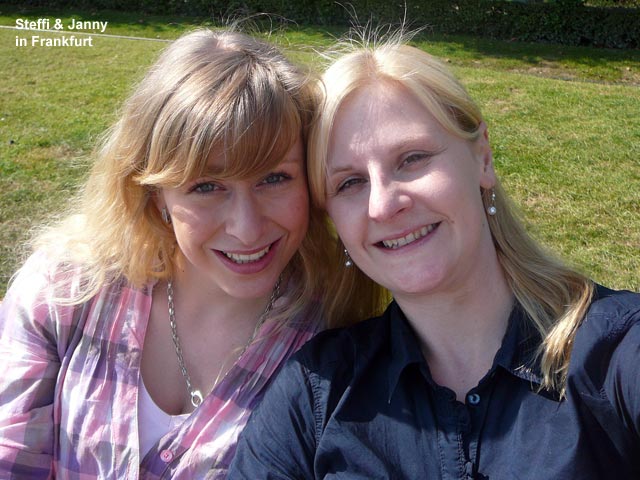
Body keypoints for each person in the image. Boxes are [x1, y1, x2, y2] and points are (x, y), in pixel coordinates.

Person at [229, 38, 640, 478]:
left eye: (412, 159)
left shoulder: (616, 352)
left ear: (482, 157)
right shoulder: (315, 395)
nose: (383, 206)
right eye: (350, 183)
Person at [0, 29, 384, 479]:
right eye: (206, 186)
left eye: (274, 178)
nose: (247, 228)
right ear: (155, 193)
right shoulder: (64, 290)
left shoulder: (339, 341)